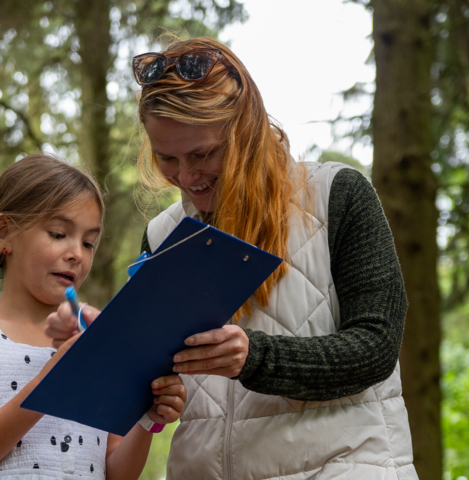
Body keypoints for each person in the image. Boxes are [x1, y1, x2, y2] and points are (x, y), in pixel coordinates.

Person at [46, 38, 417, 479]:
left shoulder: (336, 194)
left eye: (203, 154)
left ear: (246, 129)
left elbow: (377, 347)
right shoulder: (163, 234)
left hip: (343, 466)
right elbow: (150, 373)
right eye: (167, 158)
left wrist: (255, 357)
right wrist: (96, 335)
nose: (185, 176)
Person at [0, 153, 187, 480]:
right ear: (4, 232)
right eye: (57, 234)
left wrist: (147, 419)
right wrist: (48, 385)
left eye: (89, 242)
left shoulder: (95, 342)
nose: (76, 254)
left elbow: (116, 472)